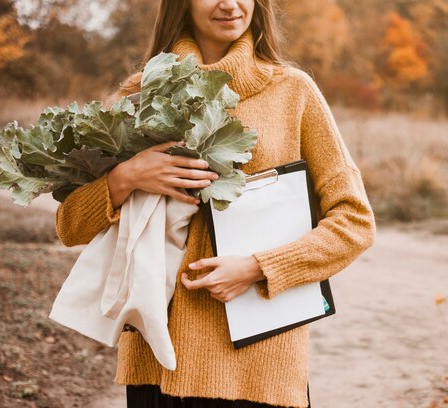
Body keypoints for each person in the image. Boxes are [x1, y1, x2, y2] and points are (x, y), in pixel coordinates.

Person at [54, 0, 376, 407]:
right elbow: (69, 225)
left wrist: (258, 268)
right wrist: (126, 177)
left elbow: (355, 222)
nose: (229, 3)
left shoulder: (293, 92)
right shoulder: (139, 93)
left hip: (258, 368)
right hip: (157, 366)